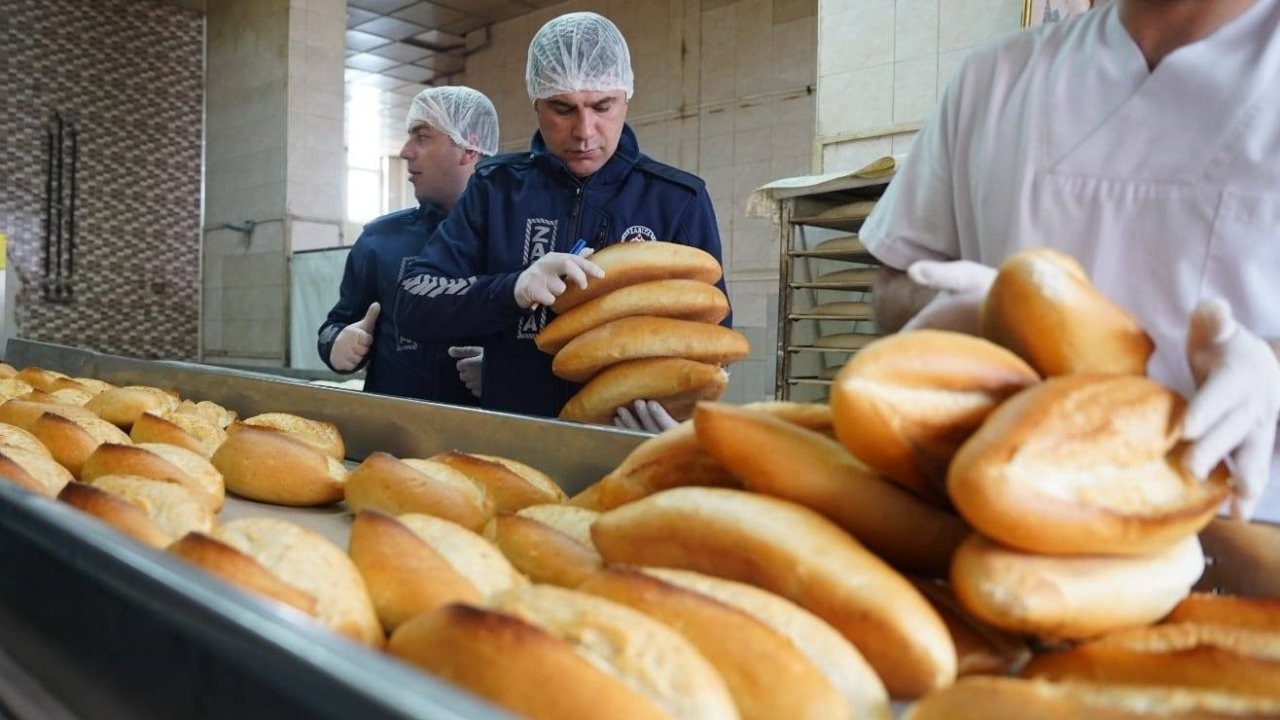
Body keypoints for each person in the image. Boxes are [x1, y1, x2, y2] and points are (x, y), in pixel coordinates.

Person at [861, 0, 1280, 520]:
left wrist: (1272, 368)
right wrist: (968, 312)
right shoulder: (996, 78)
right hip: (996, 518)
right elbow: (895, 280)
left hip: (1245, 532)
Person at [394, 12, 730, 431]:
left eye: (602, 106)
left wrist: (680, 417)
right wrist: (511, 289)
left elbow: (711, 338)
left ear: (626, 96)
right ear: (536, 101)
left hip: (622, 445)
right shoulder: (497, 189)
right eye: (562, 109)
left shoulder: (676, 199)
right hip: (514, 437)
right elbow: (412, 305)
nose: (585, 131)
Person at [318, 86, 498, 404]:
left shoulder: (513, 238)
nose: (405, 151)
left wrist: (508, 375)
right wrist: (337, 343)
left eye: (422, 137)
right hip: (390, 438)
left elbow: (547, 341)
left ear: (470, 147)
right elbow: (336, 323)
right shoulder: (380, 240)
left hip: (483, 444)